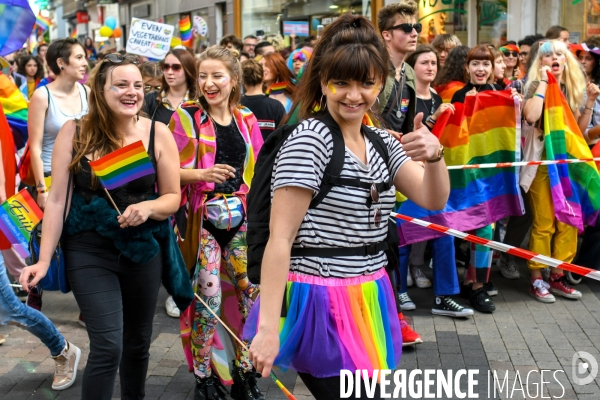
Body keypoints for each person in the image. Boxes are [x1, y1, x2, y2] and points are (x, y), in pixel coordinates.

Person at [245, 14, 449, 399]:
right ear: (324, 83)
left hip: (369, 292)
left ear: (380, 85)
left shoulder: (383, 142)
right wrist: (269, 327)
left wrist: (435, 156)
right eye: (342, 83)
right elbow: (280, 238)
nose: (354, 95)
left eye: (365, 83)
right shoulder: (310, 139)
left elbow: (433, 199)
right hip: (318, 297)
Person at [19, 53, 186, 400]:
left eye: (138, 85)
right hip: (89, 251)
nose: (132, 92)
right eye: (121, 85)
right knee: (109, 345)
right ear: (100, 89)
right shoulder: (76, 131)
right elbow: (59, 201)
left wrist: (148, 207)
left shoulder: (158, 133)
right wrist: (45, 260)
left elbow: (172, 197)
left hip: (142, 252)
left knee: (138, 345)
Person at [169, 45, 264, 400]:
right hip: (202, 222)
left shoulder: (246, 119)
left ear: (234, 80)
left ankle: (243, 373)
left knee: (250, 299)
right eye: (203, 76)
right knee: (207, 303)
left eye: (217, 76)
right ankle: (204, 378)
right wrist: (200, 173)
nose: (209, 83)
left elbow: (257, 174)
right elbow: (163, 170)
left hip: (240, 222)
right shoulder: (185, 117)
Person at [521, 40, 598, 302]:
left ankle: (557, 275)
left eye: (559, 54)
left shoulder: (571, 89)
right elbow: (531, 116)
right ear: (540, 62)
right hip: (541, 165)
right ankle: (536, 278)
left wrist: (591, 102)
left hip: (566, 166)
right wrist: (544, 83)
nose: (554, 58)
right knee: (544, 224)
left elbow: (580, 133)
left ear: (566, 60)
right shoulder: (533, 86)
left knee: (568, 221)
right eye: (547, 55)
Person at [400, 45, 471, 317]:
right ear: (411, 67)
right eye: (424, 62)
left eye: (433, 62)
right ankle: (399, 292)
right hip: (402, 172)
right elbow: (407, 136)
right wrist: (434, 119)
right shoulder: (402, 94)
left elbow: (436, 142)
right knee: (404, 234)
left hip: (429, 174)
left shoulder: (437, 96)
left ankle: (444, 297)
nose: (430, 67)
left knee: (443, 231)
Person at [26, 38, 90, 317]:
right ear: (61, 63)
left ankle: (87, 303)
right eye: (79, 57)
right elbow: (36, 147)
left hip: (84, 177)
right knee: (44, 237)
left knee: (81, 237)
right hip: (51, 177)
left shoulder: (88, 92)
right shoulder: (42, 96)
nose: (85, 62)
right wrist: (41, 188)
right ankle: (35, 289)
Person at [376, 0, 424, 346]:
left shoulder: (407, 73)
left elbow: (406, 123)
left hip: (388, 168)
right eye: (407, 28)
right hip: (357, 167)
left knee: (388, 243)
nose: (414, 33)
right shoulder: (370, 68)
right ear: (386, 34)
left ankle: (392, 315)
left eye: (416, 27)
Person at [450, 45, 510, 313]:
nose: (481, 69)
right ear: (467, 68)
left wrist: (513, 103)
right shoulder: (459, 95)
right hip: (466, 174)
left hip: (492, 176)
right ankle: (468, 284)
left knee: (486, 230)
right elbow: (453, 137)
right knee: (463, 230)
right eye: (475, 64)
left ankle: (476, 285)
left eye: (486, 64)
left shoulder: (500, 94)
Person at [142, 48, 199, 127]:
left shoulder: (199, 101)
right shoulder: (151, 98)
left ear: (188, 70)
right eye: (166, 67)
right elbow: (139, 131)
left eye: (176, 67)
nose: (169, 72)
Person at [241, 59, 285, 141]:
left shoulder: (236, 105)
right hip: (270, 153)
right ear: (263, 76)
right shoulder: (276, 106)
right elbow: (284, 136)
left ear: (242, 80)